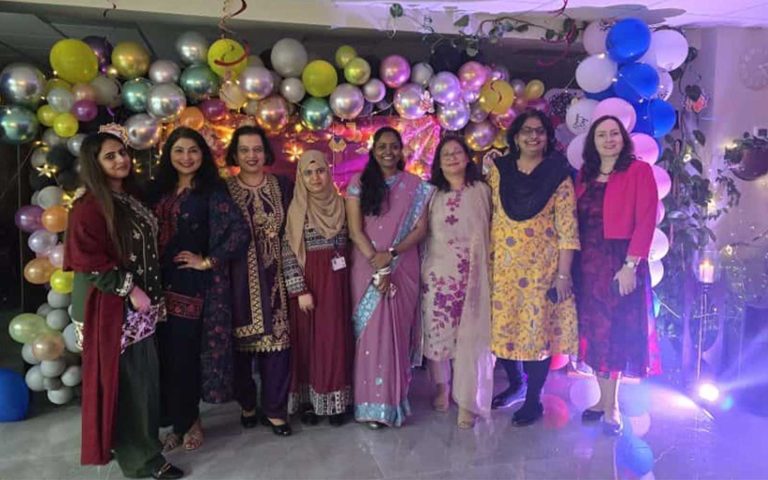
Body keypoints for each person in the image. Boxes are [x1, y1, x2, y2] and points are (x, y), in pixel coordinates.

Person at [64, 129, 183, 479]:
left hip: (136, 307)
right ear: (94, 163)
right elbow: (88, 259)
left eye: (122, 153)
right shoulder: (88, 207)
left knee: (140, 381)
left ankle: (136, 446)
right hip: (110, 308)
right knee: (130, 384)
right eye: (110, 156)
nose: (121, 160)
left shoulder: (127, 196)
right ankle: (143, 462)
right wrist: (130, 289)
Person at [148, 127, 250, 451]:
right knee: (163, 356)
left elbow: (239, 232)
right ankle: (175, 423)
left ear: (202, 155)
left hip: (191, 287)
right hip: (155, 287)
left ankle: (190, 420)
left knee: (184, 357)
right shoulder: (157, 190)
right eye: (179, 151)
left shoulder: (211, 192)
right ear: (169, 155)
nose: (186, 157)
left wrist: (207, 261)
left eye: (193, 150)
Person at [488, 110, 580, 426]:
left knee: (537, 337)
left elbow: (568, 228)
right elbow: (489, 215)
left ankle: (533, 401)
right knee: (500, 332)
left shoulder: (558, 174)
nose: (532, 136)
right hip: (501, 269)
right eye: (526, 131)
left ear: (547, 137)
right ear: (515, 136)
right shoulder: (498, 171)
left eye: (539, 131)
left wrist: (563, 275)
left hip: (541, 271)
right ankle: (515, 383)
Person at [575, 115, 660, 435]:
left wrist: (630, 266)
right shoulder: (585, 174)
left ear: (623, 138)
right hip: (588, 265)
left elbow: (646, 220)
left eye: (614, 133)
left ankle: (612, 406)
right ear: (592, 142)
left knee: (616, 334)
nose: (609, 139)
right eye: (601, 135)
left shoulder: (639, 171)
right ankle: (601, 398)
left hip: (620, 262)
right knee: (594, 331)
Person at [346, 126, 434, 429]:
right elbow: (355, 229)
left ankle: (392, 403)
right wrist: (376, 260)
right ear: (374, 150)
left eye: (394, 146)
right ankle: (368, 403)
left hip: (402, 266)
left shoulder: (416, 186)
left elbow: (420, 230)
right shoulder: (359, 183)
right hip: (366, 265)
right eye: (382, 146)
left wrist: (392, 255)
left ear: (401, 150)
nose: (388, 152)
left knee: (394, 332)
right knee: (369, 332)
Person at [421, 137, 495, 429]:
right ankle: (442, 387)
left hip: (473, 277)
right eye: (445, 154)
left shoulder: (482, 191)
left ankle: (467, 399)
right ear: (438, 162)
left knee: (471, 339)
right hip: (437, 276)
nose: (452, 157)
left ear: (467, 158)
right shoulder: (430, 195)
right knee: (438, 335)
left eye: (457, 152)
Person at [225, 125, 294, 436]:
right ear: (235, 154)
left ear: (266, 152)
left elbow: (294, 227)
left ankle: (275, 409)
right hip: (236, 279)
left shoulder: (282, 185)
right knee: (240, 350)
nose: (251, 155)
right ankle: (247, 403)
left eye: (256, 149)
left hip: (276, 275)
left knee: (278, 345)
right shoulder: (223, 189)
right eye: (244, 150)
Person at [283, 150, 353, 426]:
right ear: (301, 176)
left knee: (336, 341)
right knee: (310, 344)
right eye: (308, 172)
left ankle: (337, 402)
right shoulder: (297, 209)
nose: (315, 177)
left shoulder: (343, 205)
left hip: (338, 284)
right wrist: (300, 290)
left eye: (320, 170)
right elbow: (288, 251)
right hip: (309, 286)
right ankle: (310, 402)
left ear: (328, 172)